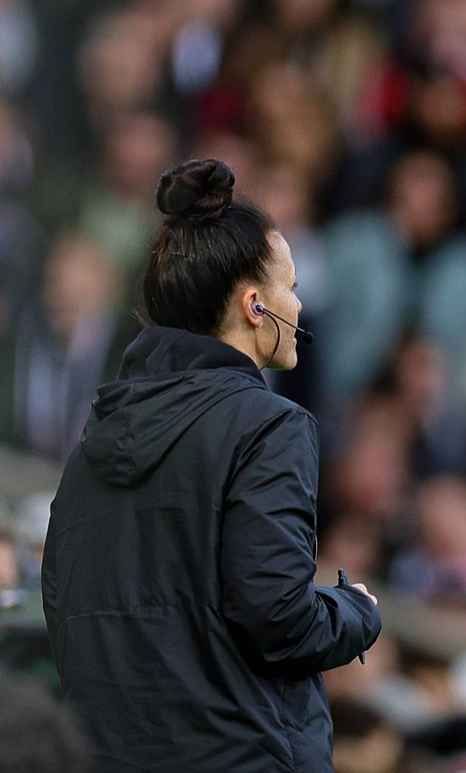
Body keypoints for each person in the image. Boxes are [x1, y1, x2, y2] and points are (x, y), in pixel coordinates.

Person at [40, 159, 383, 772]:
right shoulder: (271, 426)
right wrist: (354, 610)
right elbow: (275, 616)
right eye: (292, 288)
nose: (299, 309)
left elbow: (66, 611)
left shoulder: (94, 439)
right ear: (256, 305)